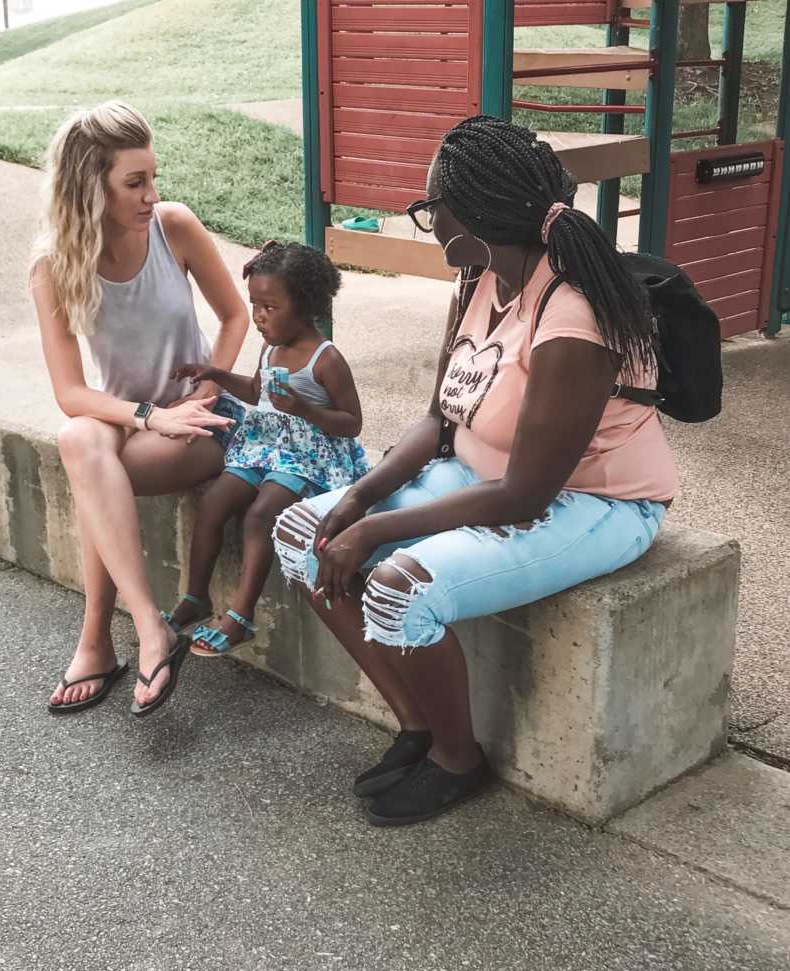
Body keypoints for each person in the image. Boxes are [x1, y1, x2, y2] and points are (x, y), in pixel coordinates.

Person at [273, 116, 677, 827]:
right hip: (474, 474)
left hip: (592, 503)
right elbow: (439, 418)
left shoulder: (573, 318)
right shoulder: (481, 275)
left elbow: (526, 493)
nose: (428, 223)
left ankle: (459, 761)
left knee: (401, 591)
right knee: (303, 532)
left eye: (432, 210)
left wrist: (377, 532)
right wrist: (359, 498)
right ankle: (417, 727)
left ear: (475, 218)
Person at [30, 100, 248, 717]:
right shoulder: (53, 268)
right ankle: (149, 630)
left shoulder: (174, 227)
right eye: (135, 182)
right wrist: (149, 416)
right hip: (134, 425)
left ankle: (98, 638)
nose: (152, 194)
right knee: (81, 441)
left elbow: (235, 317)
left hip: (203, 423)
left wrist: (205, 392)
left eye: (153, 177)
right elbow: (71, 393)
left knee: (89, 462)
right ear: (89, 187)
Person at [164, 241, 369, 656]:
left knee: (260, 515)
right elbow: (258, 392)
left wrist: (305, 409)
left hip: (307, 455)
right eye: (254, 304)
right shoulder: (270, 347)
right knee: (216, 502)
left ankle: (240, 616)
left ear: (306, 305)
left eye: (270, 307)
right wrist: (217, 374)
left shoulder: (325, 359)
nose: (258, 316)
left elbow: (352, 423)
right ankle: (196, 597)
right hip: (262, 445)